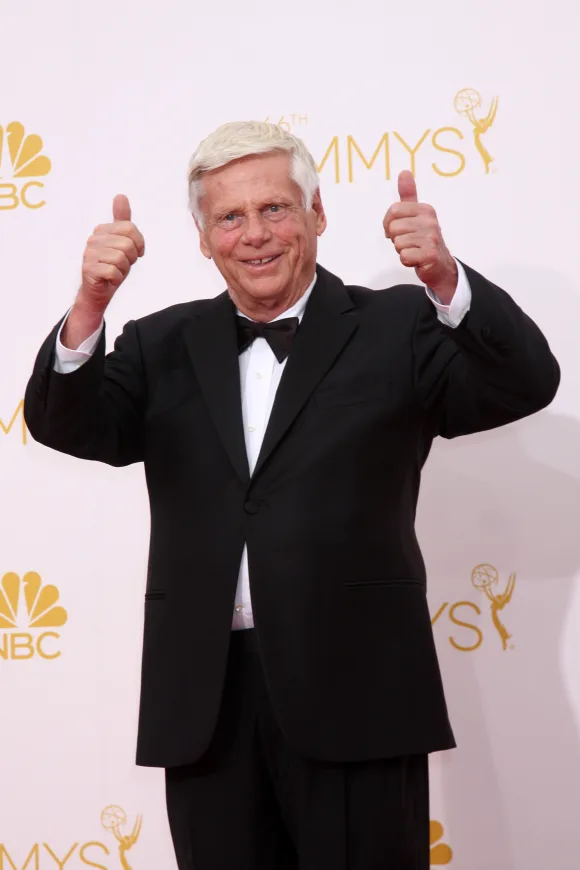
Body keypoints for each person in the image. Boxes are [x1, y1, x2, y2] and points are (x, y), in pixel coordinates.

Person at [24, 121, 560, 869]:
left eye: (275, 209)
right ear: (203, 238)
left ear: (317, 215)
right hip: (206, 704)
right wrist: (88, 306)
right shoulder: (158, 344)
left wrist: (444, 280)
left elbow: (525, 381)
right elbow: (63, 424)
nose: (255, 235)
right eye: (230, 218)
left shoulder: (398, 326)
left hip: (359, 691)